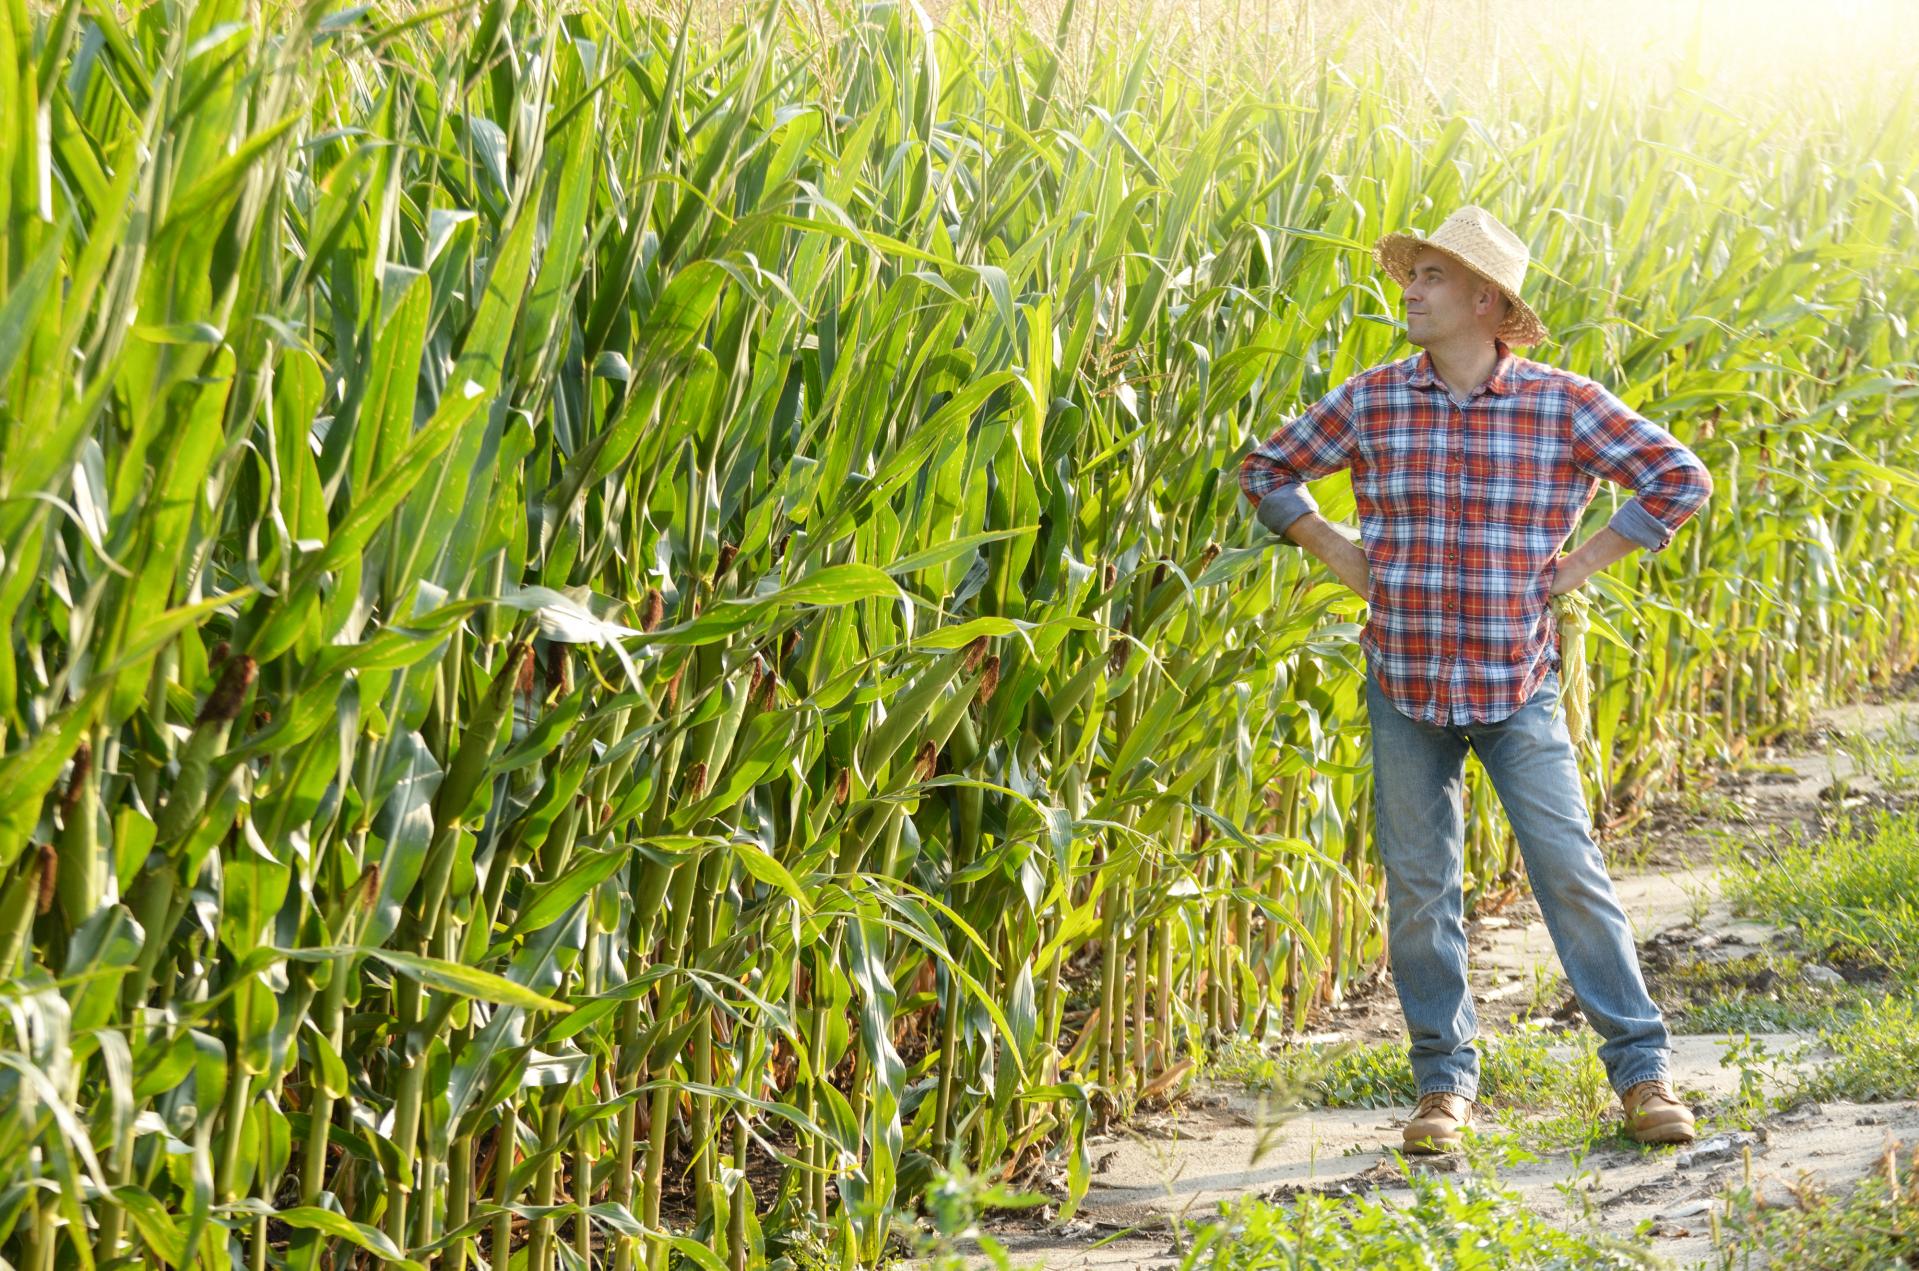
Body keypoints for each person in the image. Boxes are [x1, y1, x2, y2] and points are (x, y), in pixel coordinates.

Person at [1237, 206, 1713, 1153]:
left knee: (1568, 873)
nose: (1408, 291)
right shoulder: (1372, 399)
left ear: (1485, 300)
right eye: (1408, 275)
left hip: (1513, 681)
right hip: (1404, 680)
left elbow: (1677, 476)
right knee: (1420, 890)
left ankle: (1642, 1073)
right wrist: (1334, 547)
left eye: (1431, 278)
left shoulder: (1561, 405)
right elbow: (1266, 468)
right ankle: (1441, 1090)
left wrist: (1578, 565)